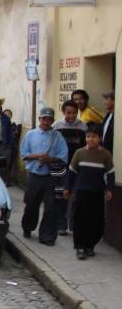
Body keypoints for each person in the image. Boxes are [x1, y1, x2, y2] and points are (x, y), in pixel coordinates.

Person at [64, 124, 115, 260]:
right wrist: (67, 188)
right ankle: (79, 246)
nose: (90, 139)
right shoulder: (79, 153)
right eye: (88, 137)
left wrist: (109, 189)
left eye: (93, 137)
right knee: (80, 219)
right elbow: (71, 172)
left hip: (97, 192)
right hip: (81, 191)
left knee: (96, 220)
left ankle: (90, 245)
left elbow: (110, 173)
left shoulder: (105, 155)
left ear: (100, 138)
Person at [20, 107, 69, 245]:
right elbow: (24, 155)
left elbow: (63, 156)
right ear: (39, 119)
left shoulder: (57, 137)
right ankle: (28, 227)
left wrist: (50, 159)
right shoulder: (30, 135)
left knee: (50, 208)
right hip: (34, 175)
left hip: (50, 177)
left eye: (49, 119)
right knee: (31, 205)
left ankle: (47, 237)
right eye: (43, 119)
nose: (46, 122)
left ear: (52, 121)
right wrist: (38, 156)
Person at [54, 100, 87, 235]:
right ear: (63, 112)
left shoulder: (83, 127)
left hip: (77, 167)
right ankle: (61, 225)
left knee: (76, 196)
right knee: (61, 195)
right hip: (61, 166)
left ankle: (73, 225)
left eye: (74, 113)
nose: (72, 116)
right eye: (68, 113)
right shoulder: (57, 126)